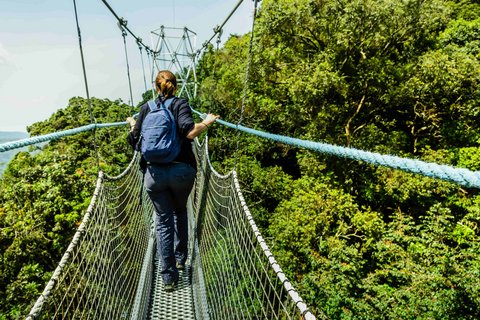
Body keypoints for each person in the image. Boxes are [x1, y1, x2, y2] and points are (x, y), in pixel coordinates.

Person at [126, 70, 219, 292]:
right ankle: (180, 259)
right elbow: (189, 133)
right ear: (174, 86)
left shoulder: (146, 108)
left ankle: (168, 278)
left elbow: (134, 140)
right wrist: (207, 122)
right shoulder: (180, 104)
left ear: (156, 87)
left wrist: (132, 123)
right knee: (180, 212)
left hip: (154, 175)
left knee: (163, 221)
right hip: (181, 172)